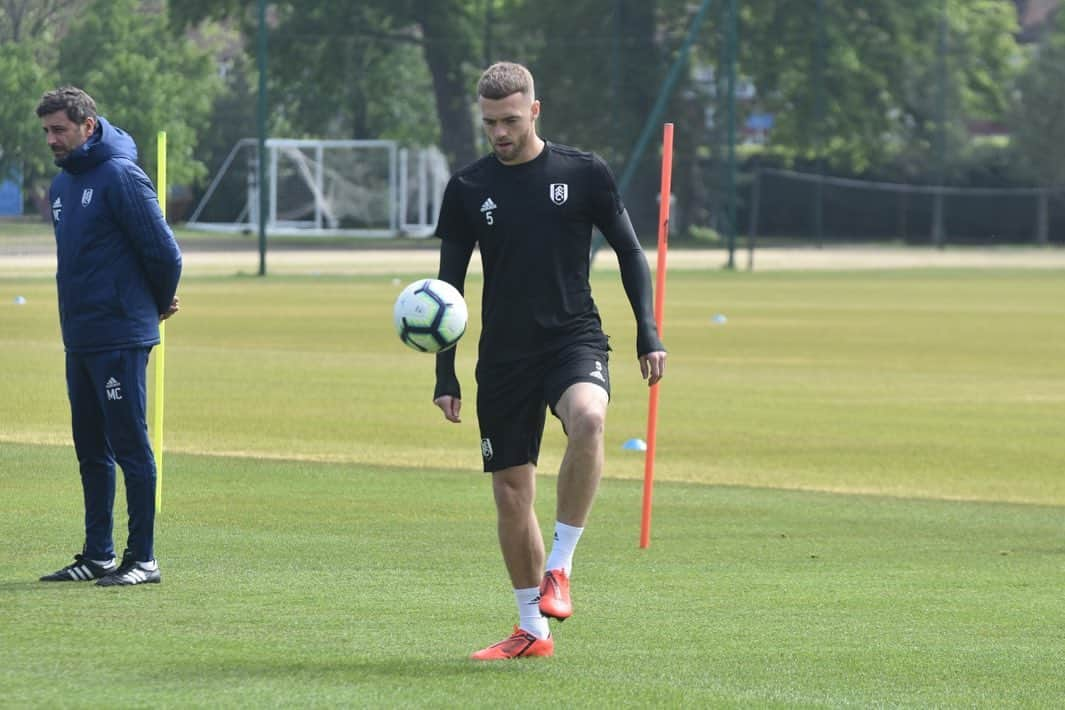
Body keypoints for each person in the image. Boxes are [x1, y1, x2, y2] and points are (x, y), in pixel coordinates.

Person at [432, 62, 667, 660]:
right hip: (504, 357)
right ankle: (531, 631)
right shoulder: (467, 188)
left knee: (589, 417)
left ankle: (559, 568)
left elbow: (631, 251)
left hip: (573, 337)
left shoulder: (582, 173)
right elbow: (448, 288)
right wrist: (444, 371)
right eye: (489, 123)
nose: (500, 134)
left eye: (510, 120)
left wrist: (647, 331)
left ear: (535, 111)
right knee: (512, 492)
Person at [35, 87, 182, 587]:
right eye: (47, 131)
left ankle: (142, 558)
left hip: (120, 333)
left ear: (88, 126)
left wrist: (156, 305)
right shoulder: (60, 188)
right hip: (80, 336)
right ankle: (97, 554)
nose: (51, 139)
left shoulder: (120, 175)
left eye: (59, 129)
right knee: (89, 448)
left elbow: (166, 254)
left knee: (129, 446)